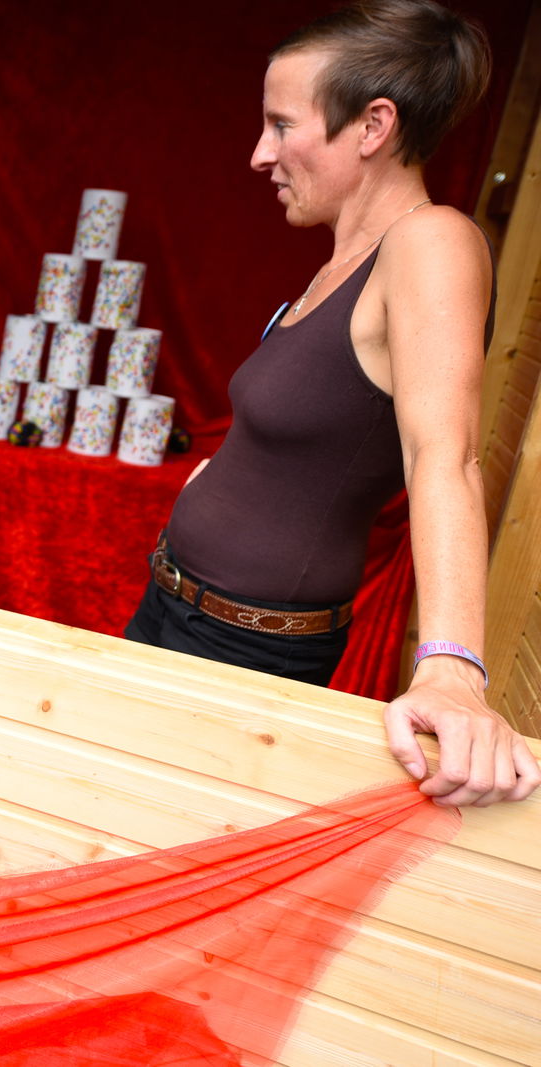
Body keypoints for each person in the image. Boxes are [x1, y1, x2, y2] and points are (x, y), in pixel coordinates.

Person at [124, 0, 539, 808]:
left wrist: (452, 666)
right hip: (176, 599)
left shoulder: (432, 242)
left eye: (282, 126)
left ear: (373, 125)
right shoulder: (335, 266)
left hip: (241, 644)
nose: (259, 154)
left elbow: (443, 455)